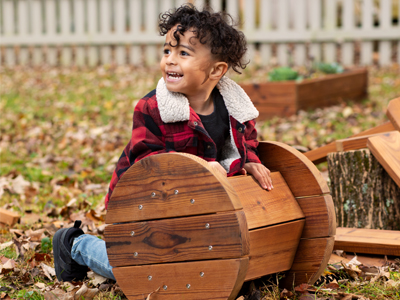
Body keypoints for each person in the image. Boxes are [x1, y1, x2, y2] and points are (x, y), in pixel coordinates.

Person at [52, 3, 273, 283]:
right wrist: (202, 168)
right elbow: (151, 164)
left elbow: (246, 139)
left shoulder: (235, 107)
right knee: (145, 270)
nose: (170, 60)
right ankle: (76, 245)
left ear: (216, 71)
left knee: (191, 257)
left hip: (196, 204)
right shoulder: (152, 108)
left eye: (183, 53)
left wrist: (251, 160)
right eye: (167, 50)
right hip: (144, 203)